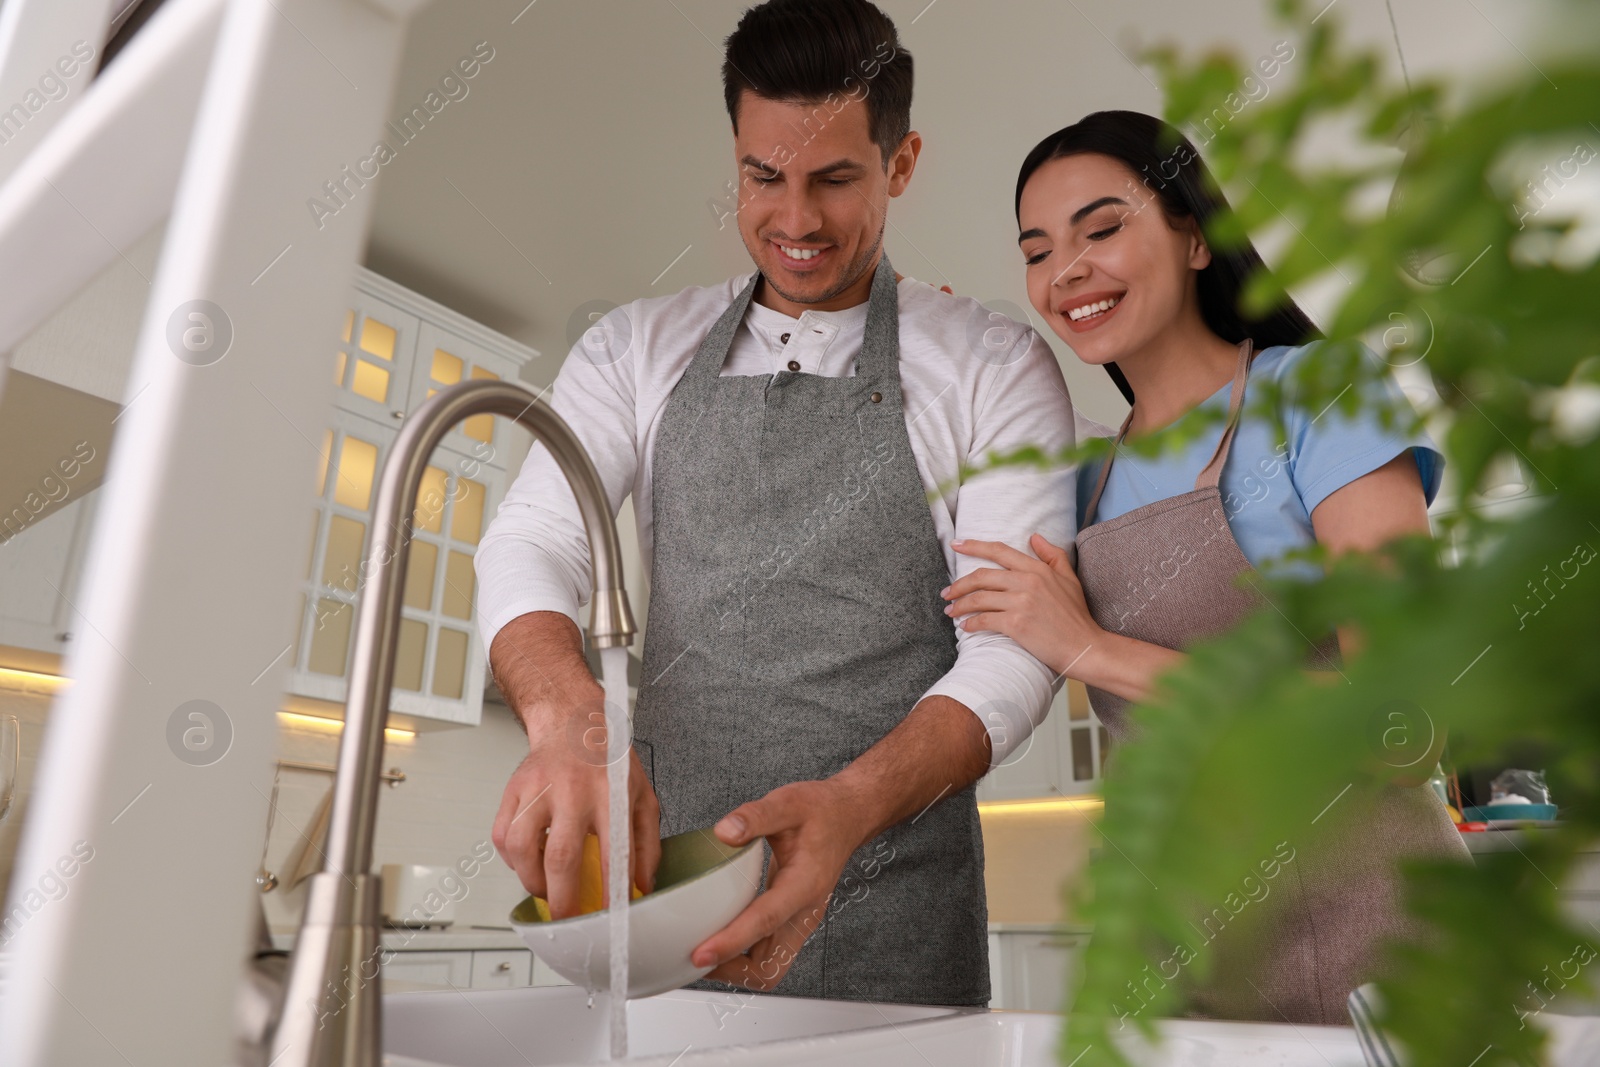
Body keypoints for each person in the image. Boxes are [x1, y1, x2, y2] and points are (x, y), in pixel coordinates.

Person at [474, 0, 1079, 1006]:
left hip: (897, 922)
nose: (795, 221)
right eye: (764, 176)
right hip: (665, 919)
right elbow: (536, 533)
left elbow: (1015, 647)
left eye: (835, 178)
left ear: (901, 162)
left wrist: (851, 803)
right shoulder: (634, 348)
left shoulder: (992, 364)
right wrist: (564, 710)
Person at [940, 110, 1470, 1025]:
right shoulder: (1076, 482)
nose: (1065, 270)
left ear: (1194, 236)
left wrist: (1096, 650)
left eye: (1101, 229)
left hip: (1389, 936)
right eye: (1036, 251)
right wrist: (928, 355)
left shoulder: (1318, 394)